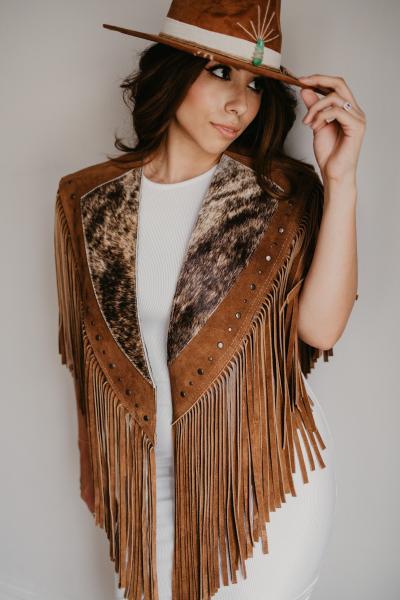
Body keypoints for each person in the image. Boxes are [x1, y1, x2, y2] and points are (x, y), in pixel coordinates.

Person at [54, 2, 366, 599]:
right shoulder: (87, 198)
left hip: (263, 478)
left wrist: (342, 180)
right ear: (171, 72)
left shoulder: (284, 193)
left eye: (255, 85)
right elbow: (88, 350)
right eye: (220, 72)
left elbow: (321, 331)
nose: (240, 104)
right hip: (145, 482)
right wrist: (94, 458)